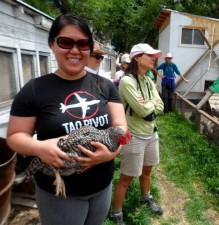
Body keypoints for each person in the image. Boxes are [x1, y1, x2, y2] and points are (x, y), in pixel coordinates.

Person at [6, 13, 127, 225]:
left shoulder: (105, 86)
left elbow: (120, 128)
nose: (74, 50)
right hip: (58, 193)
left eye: (82, 44)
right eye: (65, 42)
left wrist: (108, 155)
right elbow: (15, 137)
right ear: (52, 44)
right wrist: (40, 148)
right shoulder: (34, 90)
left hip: (101, 188)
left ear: (89, 48)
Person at [110, 43, 164, 225]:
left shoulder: (149, 80)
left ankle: (145, 197)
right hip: (134, 136)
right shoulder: (126, 82)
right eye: (149, 55)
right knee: (127, 177)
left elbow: (161, 106)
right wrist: (151, 104)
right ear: (137, 58)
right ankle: (116, 212)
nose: (154, 58)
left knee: (147, 169)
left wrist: (149, 103)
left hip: (151, 133)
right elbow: (142, 111)